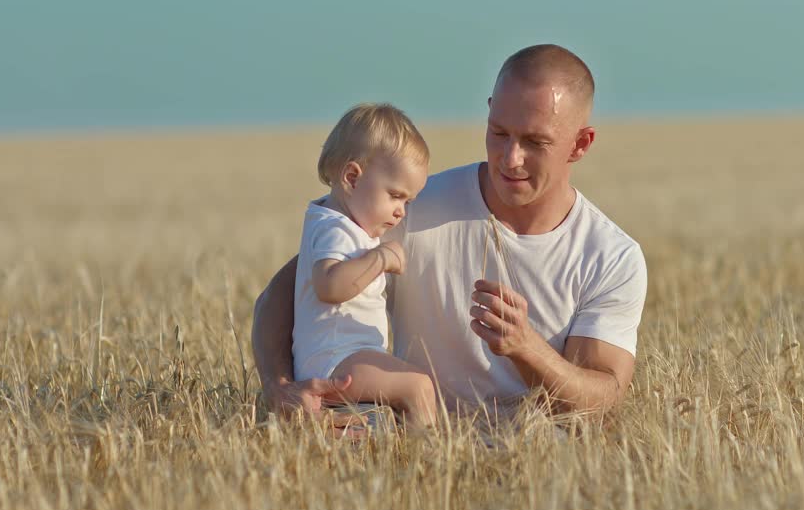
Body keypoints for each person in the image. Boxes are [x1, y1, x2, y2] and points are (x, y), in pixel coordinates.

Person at [252, 44, 646, 425]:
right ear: (489, 113)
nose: (510, 158)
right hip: (417, 456)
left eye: (535, 142)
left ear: (580, 144)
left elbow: (604, 399)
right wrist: (280, 388)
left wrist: (527, 348)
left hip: (538, 470)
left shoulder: (612, 257)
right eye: (499, 133)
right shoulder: (407, 208)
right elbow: (285, 295)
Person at [289, 102, 436, 426]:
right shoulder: (335, 229)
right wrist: (380, 258)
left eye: (407, 201)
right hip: (336, 360)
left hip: (340, 357)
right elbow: (329, 285)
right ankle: (424, 461)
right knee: (419, 387)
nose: (401, 212)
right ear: (353, 178)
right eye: (395, 196)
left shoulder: (342, 223)